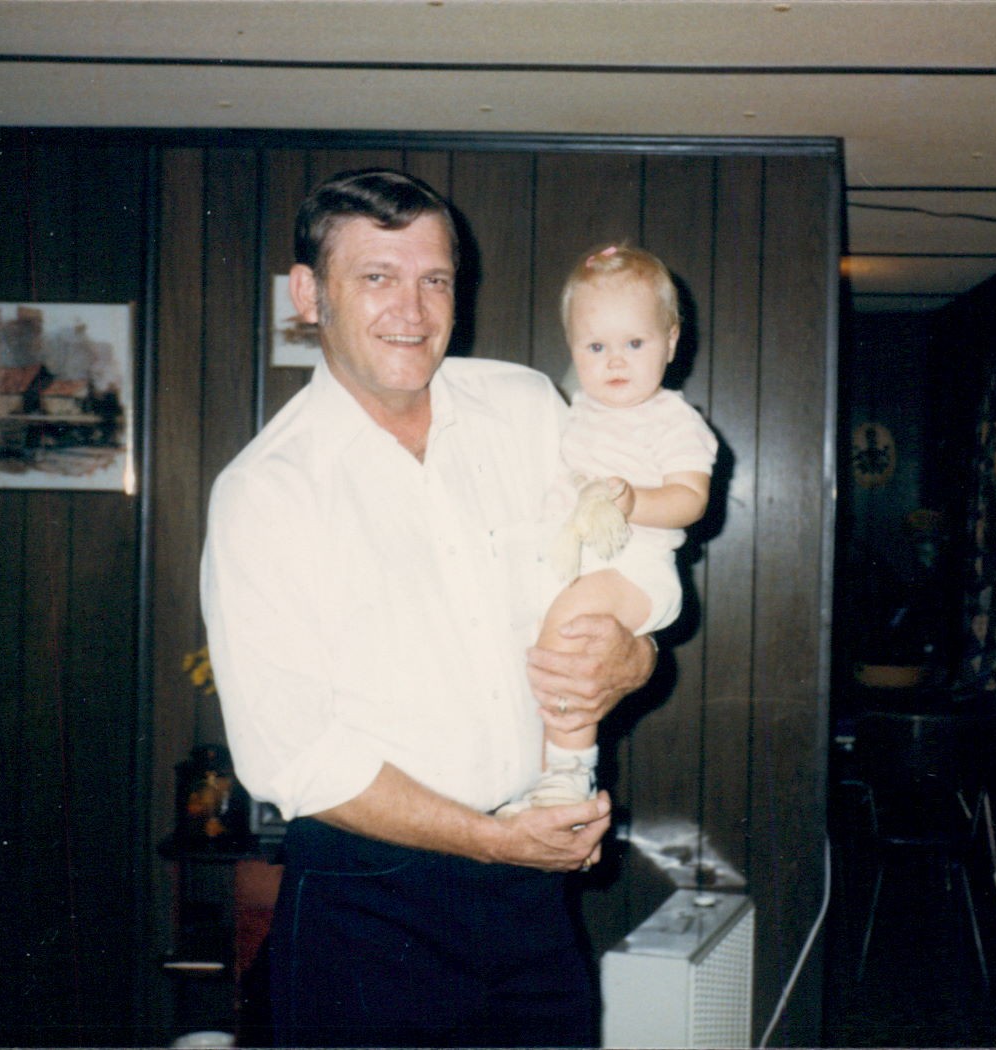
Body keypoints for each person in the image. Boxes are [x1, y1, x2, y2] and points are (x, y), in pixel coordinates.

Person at [199, 169, 665, 1048]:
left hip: (532, 886)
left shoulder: (527, 407)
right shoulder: (267, 491)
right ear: (309, 294)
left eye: (435, 279)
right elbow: (296, 757)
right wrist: (492, 841)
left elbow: (627, 563)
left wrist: (633, 657)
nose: (411, 310)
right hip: (369, 903)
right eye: (377, 276)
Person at [502, 244, 717, 812]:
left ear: (671, 341)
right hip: (575, 559)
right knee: (536, 638)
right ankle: (536, 777)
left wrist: (634, 501)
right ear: (573, 347)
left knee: (571, 633)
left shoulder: (672, 420)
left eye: (635, 344)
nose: (615, 362)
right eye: (596, 347)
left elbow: (691, 500)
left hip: (635, 568)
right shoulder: (576, 412)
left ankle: (571, 772)